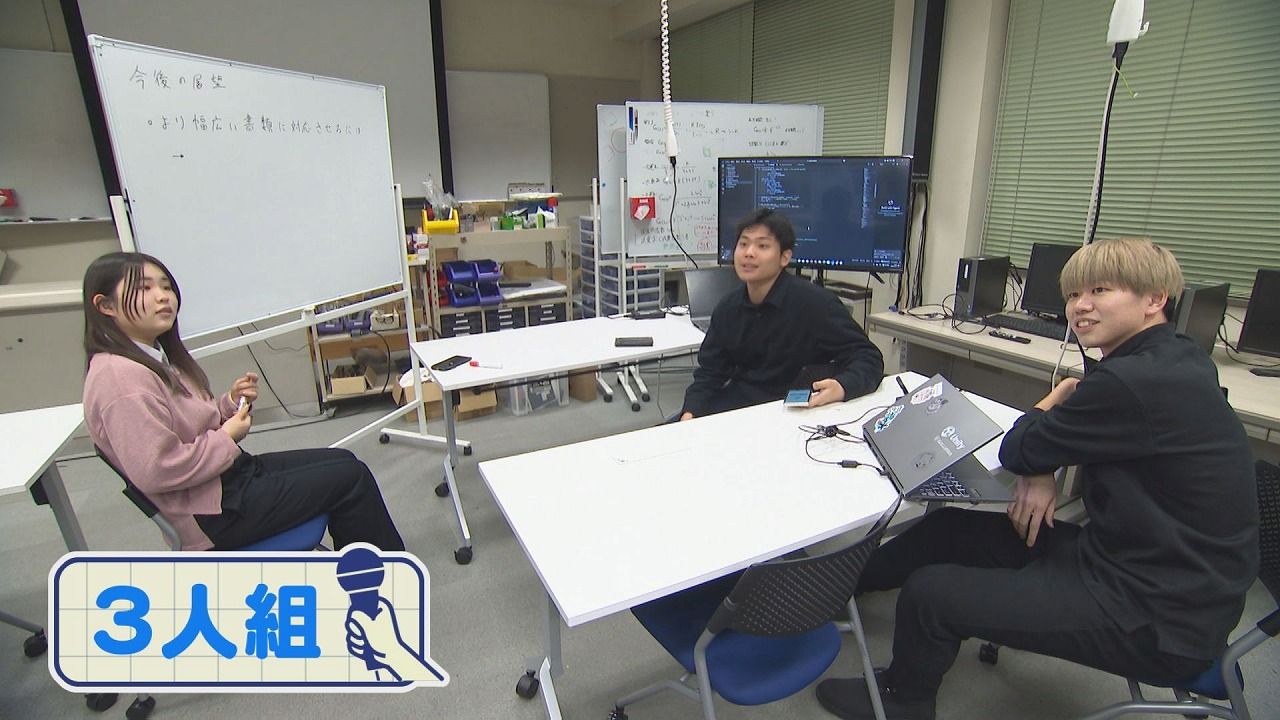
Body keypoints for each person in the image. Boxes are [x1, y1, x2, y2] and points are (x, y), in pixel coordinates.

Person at [816, 237, 1258, 720]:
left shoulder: (1132, 381)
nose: (1080, 306)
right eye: (1073, 295)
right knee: (948, 528)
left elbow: (1019, 447)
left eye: (1100, 291)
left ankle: (904, 703)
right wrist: (1043, 465)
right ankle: (835, 592)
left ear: (1155, 299)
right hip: (1148, 565)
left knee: (931, 594)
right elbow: (1046, 446)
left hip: (1156, 614)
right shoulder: (1176, 356)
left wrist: (1057, 403)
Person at [82, 252, 405, 552]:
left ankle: (366, 574)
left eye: (166, 287)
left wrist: (228, 404)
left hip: (223, 481)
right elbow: (157, 470)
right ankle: (383, 580)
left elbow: (184, 425)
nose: (163, 296)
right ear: (106, 306)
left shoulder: (149, 356)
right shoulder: (120, 377)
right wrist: (226, 436)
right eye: (144, 288)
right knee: (350, 478)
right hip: (212, 512)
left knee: (345, 461)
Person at [680, 208, 884, 420]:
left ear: (785, 257)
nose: (749, 253)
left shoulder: (815, 304)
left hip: (792, 414)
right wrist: (690, 413)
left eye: (762, 246)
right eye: (743, 244)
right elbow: (709, 372)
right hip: (740, 410)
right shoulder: (728, 308)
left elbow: (867, 357)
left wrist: (842, 386)